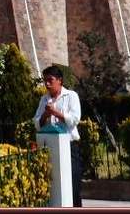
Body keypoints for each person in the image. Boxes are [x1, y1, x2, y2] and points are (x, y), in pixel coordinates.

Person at [33, 64, 82, 207]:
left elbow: (74, 119)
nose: (47, 84)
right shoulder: (44, 99)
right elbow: (37, 123)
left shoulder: (71, 96)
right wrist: (45, 114)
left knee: (72, 186)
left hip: (70, 146)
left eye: (50, 80)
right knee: (55, 185)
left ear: (60, 80)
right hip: (50, 147)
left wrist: (56, 113)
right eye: (45, 81)